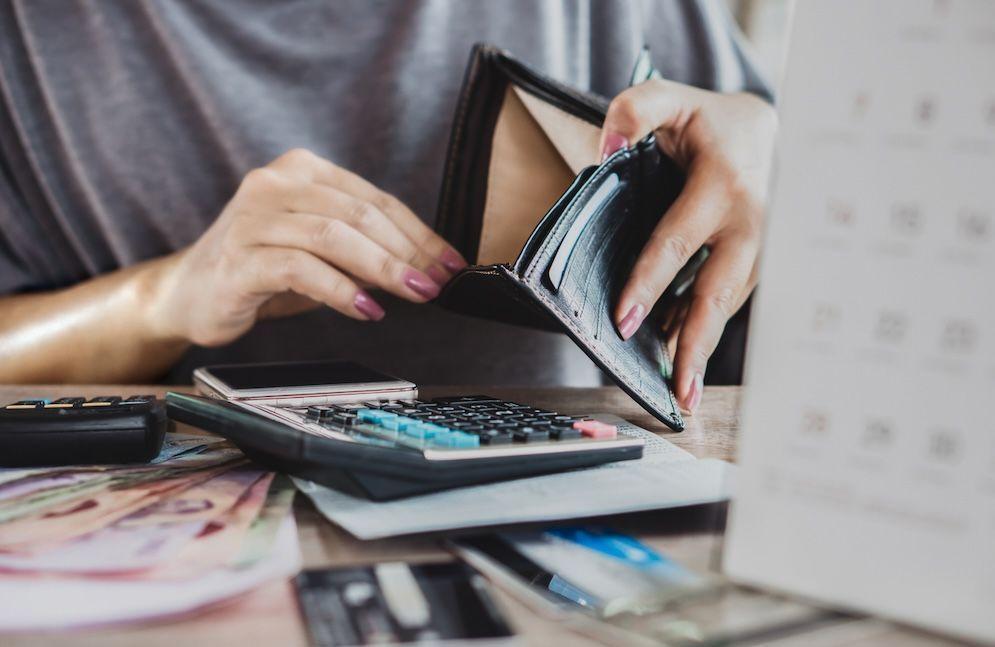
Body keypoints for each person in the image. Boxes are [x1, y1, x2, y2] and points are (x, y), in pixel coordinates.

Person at [0, 0, 775, 414]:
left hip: (588, 523)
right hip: (182, 557)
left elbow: (783, 187)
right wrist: (158, 300)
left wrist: (778, 151)